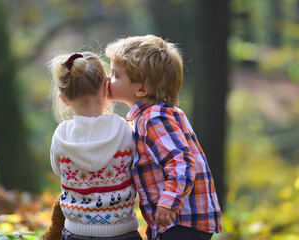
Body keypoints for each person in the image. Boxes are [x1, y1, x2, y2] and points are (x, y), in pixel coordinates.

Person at [105, 35, 222, 240]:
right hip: (177, 220)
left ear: (141, 89)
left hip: (183, 220)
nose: (108, 79)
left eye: (115, 75)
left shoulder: (154, 118)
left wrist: (168, 202)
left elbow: (182, 162)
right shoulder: (151, 116)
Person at [45, 52, 141, 240]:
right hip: (122, 232)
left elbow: (58, 170)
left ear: (63, 99)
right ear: (106, 89)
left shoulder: (61, 135)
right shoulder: (124, 129)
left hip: (76, 232)